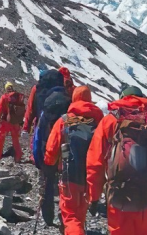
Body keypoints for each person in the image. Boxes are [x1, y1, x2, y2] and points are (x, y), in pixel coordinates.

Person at [86, 86, 147, 235]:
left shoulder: (111, 121)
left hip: (119, 194)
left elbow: (95, 163)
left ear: (122, 98)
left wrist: (93, 198)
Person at [44, 86, 103, 235]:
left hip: (69, 174)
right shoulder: (98, 122)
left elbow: (51, 150)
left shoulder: (65, 120)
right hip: (91, 176)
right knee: (80, 213)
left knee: (70, 216)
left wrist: (49, 164)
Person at [33, 84, 72, 226]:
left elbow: (37, 137)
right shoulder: (69, 110)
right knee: (65, 188)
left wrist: (38, 159)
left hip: (47, 155)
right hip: (67, 156)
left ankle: (48, 217)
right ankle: (65, 218)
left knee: (47, 186)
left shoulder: (46, 110)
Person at [0, 82, 25, 162]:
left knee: (1, 139)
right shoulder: (19, 96)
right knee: (16, 140)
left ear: (6, 88)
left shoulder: (4, 97)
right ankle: (18, 157)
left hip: (6, 122)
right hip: (16, 122)